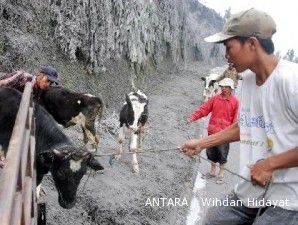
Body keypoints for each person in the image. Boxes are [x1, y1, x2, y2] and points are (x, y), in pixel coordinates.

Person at [180, 8, 298, 225]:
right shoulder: (249, 82)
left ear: (252, 43)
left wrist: (270, 164)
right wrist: (202, 143)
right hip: (251, 187)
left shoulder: (292, 82)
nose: (226, 55)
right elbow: (245, 126)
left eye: (229, 46)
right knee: (214, 220)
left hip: (290, 198)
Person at [0, 65, 58, 167]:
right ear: (40, 75)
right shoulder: (23, 77)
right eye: (47, 80)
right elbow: (2, 84)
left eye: (51, 83)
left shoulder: (39, 90)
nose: (48, 84)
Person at [187, 78, 239, 184]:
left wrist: (232, 133)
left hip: (225, 133)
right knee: (211, 152)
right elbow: (204, 109)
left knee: (222, 154)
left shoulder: (235, 102)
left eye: (226, 87)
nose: (223, 89)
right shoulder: (215, 99)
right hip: (212, 131)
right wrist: (192, 117)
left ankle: (221, 173)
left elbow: (235, 120)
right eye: (222, 87)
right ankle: (212, 172)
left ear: (231, 89)